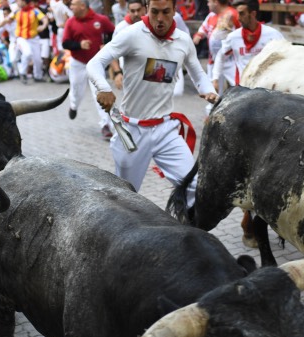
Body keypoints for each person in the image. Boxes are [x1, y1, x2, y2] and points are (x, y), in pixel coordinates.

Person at [86, 0, 217, 206]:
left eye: (166, 12)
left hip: (165, 129)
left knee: (194, 186)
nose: (160, 19)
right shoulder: (132, 34)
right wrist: (103, 87)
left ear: (175, 11)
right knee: (125, 197)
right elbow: (95, 62)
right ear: (147, 9)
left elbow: (198, 73)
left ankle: (187, 229)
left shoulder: (183, 40)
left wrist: (208, 91)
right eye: (154, 12)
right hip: (131, 130)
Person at [62, 0, 114, 136]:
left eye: (73, 5)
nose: (71, 7)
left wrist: (106, 45)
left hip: (96, 63)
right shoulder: (70, 22)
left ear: (82, 6)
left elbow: (113, 33)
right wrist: (79, 45)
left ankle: (106, 125)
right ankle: (73, 106)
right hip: (77, 63)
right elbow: (65, 43)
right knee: (76, 90)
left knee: (100, 91)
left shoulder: (100, 19)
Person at [211, 0, 282, 91]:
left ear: (253, 14)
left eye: (242, 14)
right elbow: (220, 56)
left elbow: (286, 56)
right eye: (237, 14)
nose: (238, 18)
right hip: (242, 90)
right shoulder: (233, 37)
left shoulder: (272, 35)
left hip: (266, 90)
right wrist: (215, 79)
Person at [192, 0, 238, 79]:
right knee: (213, 89)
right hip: (213, 60)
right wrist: (199, 35)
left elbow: (242, 32)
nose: (207, 4)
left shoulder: (233, 14)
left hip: (231, 60)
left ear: (216, 2)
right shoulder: (211, 15)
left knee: (237, 87)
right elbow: (203, 30)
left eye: (209, 2)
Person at [11, 0, 49, 81]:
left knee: (38, 59)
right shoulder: (17, 12)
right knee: (27, 53)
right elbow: (6, 20)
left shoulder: (35, 11)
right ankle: (22, 72)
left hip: (34, 38)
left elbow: (44, 19)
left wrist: (43, 26)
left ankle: (38, 76)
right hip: (21, 38)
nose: (17, 3)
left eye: (18, 1)